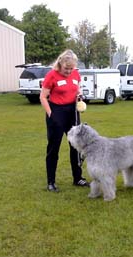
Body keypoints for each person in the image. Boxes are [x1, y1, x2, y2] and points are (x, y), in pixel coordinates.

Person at [40, 49, 89, 192]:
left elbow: (77, 89)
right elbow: (43, 97)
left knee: (76, 146)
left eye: (71, 68)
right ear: (60, 64)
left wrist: (79, 95)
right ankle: (51, 182)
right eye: (66, 68)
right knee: (53, 148)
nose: (69, 71)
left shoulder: (75, 73)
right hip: (56, 112)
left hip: (72, 112)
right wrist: (50, 114)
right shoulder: (51, 76)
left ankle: (78, 178)